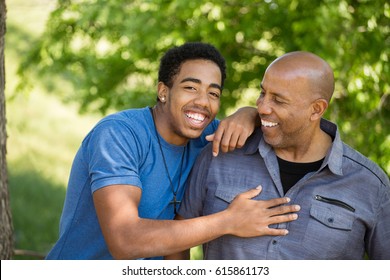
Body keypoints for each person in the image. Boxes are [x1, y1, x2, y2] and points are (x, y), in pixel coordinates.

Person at [46, 42, 300, 260]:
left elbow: (263, 123)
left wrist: (250, 114)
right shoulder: (119, 134)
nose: (203, 102)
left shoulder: (209, 137)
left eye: (213, 93)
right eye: (191, 87)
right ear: (163, 91)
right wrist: (229, 221)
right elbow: (125, 240)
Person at [169, 51, 390, 260]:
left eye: (278, 100)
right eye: (263, 93)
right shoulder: (221, 154)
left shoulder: (371, 186)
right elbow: (176, 241)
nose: (262, 107)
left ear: (316, 109)